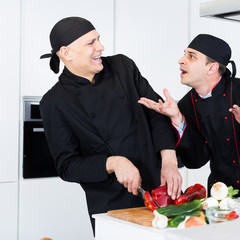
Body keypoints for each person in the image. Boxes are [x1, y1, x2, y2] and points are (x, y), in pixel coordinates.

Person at [39, 17, 182, 232]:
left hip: (160, 187)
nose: (101, 47)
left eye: (99, 39)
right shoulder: (55, 102)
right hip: (112, 205)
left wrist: (169, 161)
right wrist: (113, 163)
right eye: (91, 43)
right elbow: (67, 166)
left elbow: (157, 113)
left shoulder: (123, 67)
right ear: (66, 53)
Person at [138, 34, 240, 197]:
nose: (181, 60)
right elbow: (195, 161)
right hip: (220, 199)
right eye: (184, 54)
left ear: (212, 68)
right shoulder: (186, 105)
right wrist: (178, 120)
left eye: (191, 56)